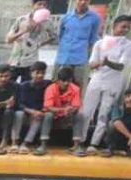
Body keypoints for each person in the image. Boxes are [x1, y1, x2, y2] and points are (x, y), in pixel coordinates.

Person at [73, 15, 131, 156]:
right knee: (87, 111)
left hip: (113, 82)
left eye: (128, 28)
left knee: (104, 113)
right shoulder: (100, 43)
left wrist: (107, 62)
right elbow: (92, 64)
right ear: (114, 25)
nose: (125, 30)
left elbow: (121, 66)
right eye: (123, 26)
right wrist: (101, 63)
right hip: (97, 79)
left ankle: (94, 144)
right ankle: (79, 142)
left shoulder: (127, 44)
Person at [56, 0, 102, 96]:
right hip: (65, 57)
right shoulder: (66, 17)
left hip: (81, 57)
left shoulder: (94, 18)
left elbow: (92, 38)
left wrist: (89, 55)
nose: (82, 2)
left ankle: (77, 108)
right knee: (61, 85)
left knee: (79, 85)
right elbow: (60, 36)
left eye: (86, 0)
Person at [34, 67, 82, 156]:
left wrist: (70, 111)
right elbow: (48, 107)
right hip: (53, 115)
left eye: (68, 81)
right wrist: (63, 109)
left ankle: (77, 146)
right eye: (63, 81)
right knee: (48, 115)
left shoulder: (76, 89)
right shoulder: (50, 88)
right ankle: (43, 145)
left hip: (67, 115)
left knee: (78, 115)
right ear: (58, 80)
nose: (66, 83)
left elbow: (76, 106)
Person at [8, 0, 58, 82]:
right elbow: (8, 39)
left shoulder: (47, 23)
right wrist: (23, 31)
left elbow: (54, 37)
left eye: (44, 5)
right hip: (15, 60)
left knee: (26, 88)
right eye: (39, 4)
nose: (42, 7)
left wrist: (40, 44)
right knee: (9, 86)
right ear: (33, 5)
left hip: (31, 62)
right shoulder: (21, 20)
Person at [105, 90, 131, 155]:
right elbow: (116, 122)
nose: (130, 99)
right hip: (117, 137)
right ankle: (111, 148)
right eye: (128, 96)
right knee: (112, 124)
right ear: (124, 98)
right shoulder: (117, 107)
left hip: (128, 141)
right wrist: (130, 136)